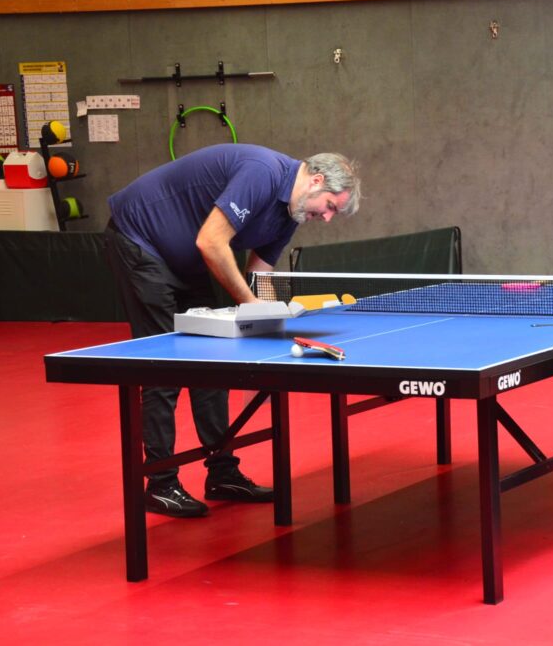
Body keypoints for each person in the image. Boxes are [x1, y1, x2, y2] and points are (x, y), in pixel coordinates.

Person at [104, 143, 361, 518]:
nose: (326, 217)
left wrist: (273, 321)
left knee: (211, 362)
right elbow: (211, 242)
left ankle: (222, 474)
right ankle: (160, 484)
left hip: (189, 260)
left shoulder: (290, 215)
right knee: (163, 367)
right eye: (331, 207)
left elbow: (259, 275)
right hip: (140, 240)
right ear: (317, 181)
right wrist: (250, 306)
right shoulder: (261, 173)